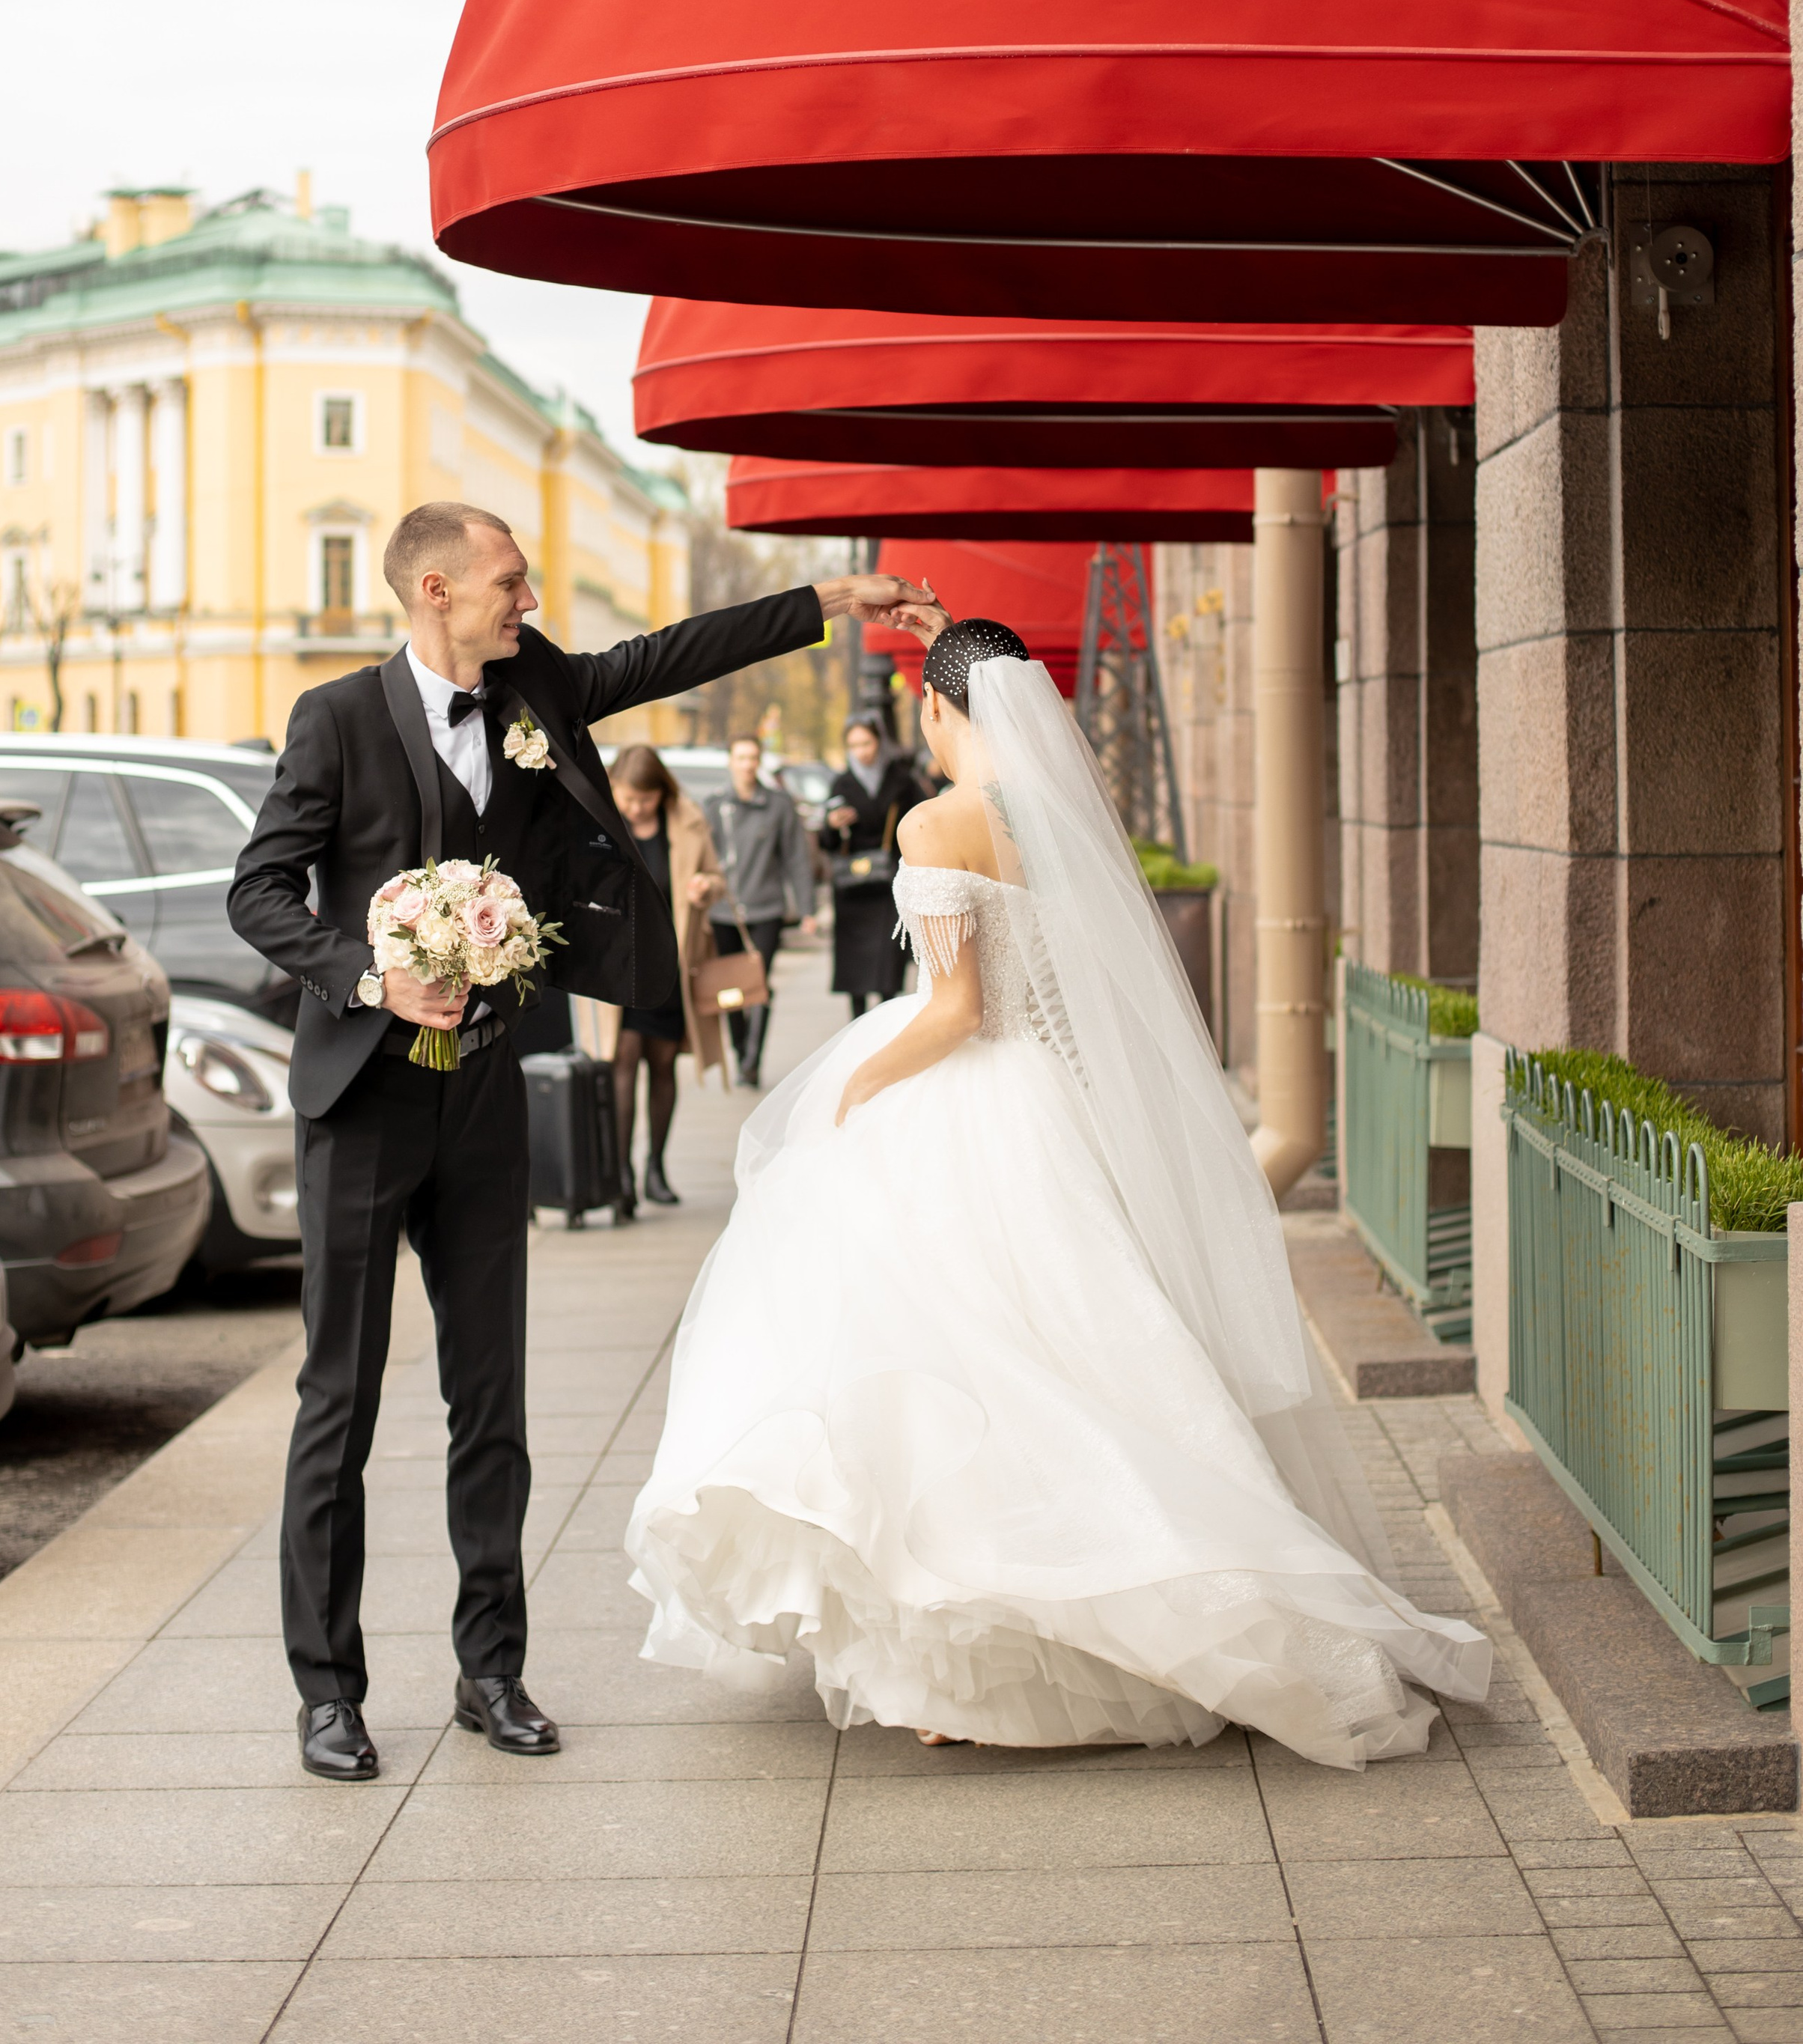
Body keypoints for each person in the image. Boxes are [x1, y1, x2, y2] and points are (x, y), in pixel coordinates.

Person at [628, 615, 1492, 1765]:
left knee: (959, 1375)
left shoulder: (935, 819)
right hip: (1055, 1101)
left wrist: (853, 1088)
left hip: (969, 1099)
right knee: (1081, 1358)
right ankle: (1103, 1623)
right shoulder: (1061, 820)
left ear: (937, 709)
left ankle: (981, 1659)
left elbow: (955, 1011)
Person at [225, 499, 935, 1785]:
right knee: (339, 1400)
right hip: (366, 1105)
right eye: (510, 582)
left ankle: (492, 1668)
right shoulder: (333, 720)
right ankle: (328, 1691)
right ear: (434, 590)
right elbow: (260, 892)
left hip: (488, 1095)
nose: (531, 599)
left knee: (490, 1398)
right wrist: (371, 975)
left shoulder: (536, 690)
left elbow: (665, 655)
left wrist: (831, 602)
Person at [606, 744, 725, 1209]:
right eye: (628, 798)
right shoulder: (601, 823)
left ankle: (655, 1165)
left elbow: (717, 878)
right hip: (617, 968)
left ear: (662, 792)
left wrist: (705, 887)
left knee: (661, 1063)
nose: (635, 808)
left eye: (645, 799)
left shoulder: (686, 823)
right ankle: (620, 1175)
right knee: (622, 1060)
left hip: (670, 965)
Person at [706, 732, 815, 1085]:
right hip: (724, 912)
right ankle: (740, 1049)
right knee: (731, 987)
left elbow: (797, 858)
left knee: (759, 984)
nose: (747, 765)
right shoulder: (715, 804)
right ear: (730, 762)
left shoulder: (779, 804)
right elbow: (702, 858)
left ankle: (753, 1059)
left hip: (766, 909)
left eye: (753, 758)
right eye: (741, 758)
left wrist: (808, 908)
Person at [823, 712, 923, 1019]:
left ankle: (886, 1022)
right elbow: (827, 842)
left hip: (889, 884)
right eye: (854, 745)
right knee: (856, 966)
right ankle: (857, 1024)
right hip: (853, 889)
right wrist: (832, 823)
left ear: (879, 742)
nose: (862, 751)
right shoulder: (842, 783)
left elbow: (920, 823)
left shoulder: (901, 781)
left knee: (888, 963)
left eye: (866, 742)